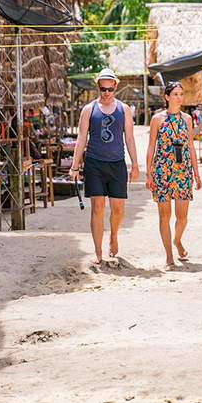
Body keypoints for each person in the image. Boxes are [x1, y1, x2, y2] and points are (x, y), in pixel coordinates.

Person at [69, 68, 140, 264]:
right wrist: (75, 166)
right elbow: (81, 139)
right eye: (103, 89)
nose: (106, 93)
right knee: (97, 207)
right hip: (94, 163)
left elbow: (129, 138)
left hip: (117, 164)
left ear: (115, 86)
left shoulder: (124, 109)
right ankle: (98, 252)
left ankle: (114, 236)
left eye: (110, 89)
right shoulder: (88, 110)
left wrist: (135, 164)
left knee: (118, 209)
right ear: (98, 88)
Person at [146, 82, 202, 269]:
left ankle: (177, 240)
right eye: (175, 94)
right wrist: (149, 174)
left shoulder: (187, 119)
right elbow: (151, 146)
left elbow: (191, 146)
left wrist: (197, 173)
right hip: (162, 170)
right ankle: (169, 256)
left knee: (182, 217)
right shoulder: (157, 119)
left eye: (181, 94)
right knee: (164, 216)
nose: (179, 97)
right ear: (167, 97)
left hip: (183, 171)